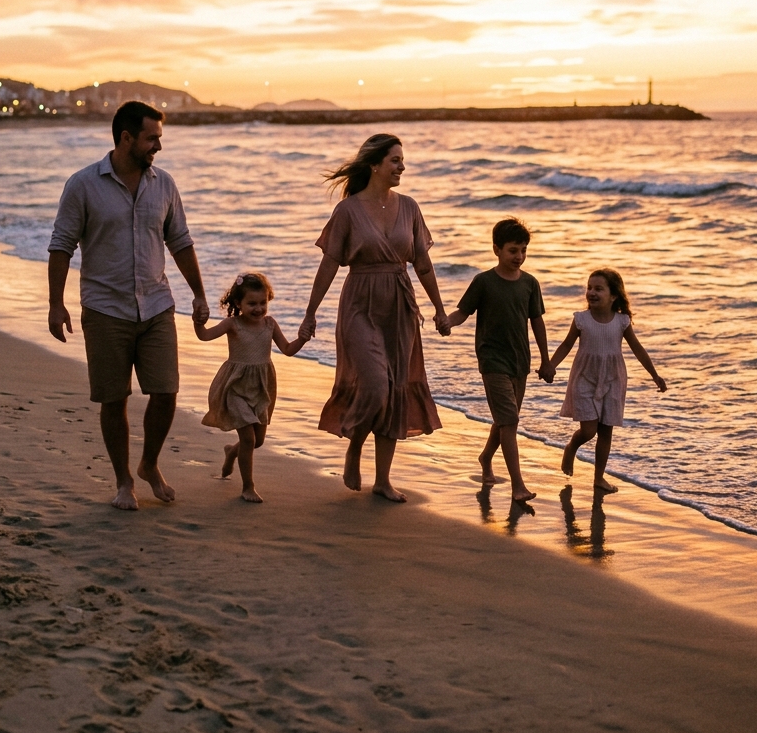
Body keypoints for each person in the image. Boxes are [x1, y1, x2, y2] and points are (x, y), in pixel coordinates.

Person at [47, 100, 209, 511]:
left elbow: (181, 242)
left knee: (166, 390)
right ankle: (123, 482)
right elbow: (61, 246)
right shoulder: (82, 185)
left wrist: (200, 294)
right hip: (105, 309)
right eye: (152, 137)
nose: (158, 145)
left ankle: (149, 465)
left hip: (156, 305)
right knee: (113, 398)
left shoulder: (164, 184)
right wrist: (56, 304)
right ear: (126, 138)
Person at [299, 133, 449, 503]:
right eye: (395, 160)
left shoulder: (410, 207)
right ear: (375, 165)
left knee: (396, 387)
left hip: (400, 305)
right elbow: (330, 263)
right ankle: (354, 446)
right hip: (360, 303)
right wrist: (310, 313)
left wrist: (440, 308)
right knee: (375, 384)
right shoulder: (348, 211)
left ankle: (382, 479)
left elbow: (423, 265)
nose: (402, 166)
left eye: (402, 160)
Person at [445, 217, 552, 503]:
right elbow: (462, 313)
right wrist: (447, 323)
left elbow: (537, 322)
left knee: (505, 420)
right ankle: (518, 485)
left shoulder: (530, 283)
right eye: (512, 250)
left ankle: (485, 458)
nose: (519, 256)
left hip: (521, 361)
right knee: (510, 421)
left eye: (523, 250)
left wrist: (546, 360)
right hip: (492, 360)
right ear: (497, 250)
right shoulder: (484, 282)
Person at [195, 272, 310, 503]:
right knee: (248, 438)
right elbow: (205, 336)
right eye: (252, 304)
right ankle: (248, 487)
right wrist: (198, 321)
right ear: (238, 303)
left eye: (262, 303)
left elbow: (287, 349)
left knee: (257, 441)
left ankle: (231, 452)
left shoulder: (270, 324)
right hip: (236, 386)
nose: (258, 309)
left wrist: (302, 339)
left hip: (261, 387)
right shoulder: (232, 324)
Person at [548, 269, 666, 493]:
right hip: (584, 378)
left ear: (614, 296)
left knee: (606, 431)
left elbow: (637, 348)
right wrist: (551, 365)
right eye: (589, 287)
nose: (591, 292)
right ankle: (571, 447)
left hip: (613, 379)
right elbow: (566, 345)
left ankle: (599, 478)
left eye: (598, 288)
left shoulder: (622, 321)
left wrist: (654, 374)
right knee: (589, 431)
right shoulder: (581, 320)